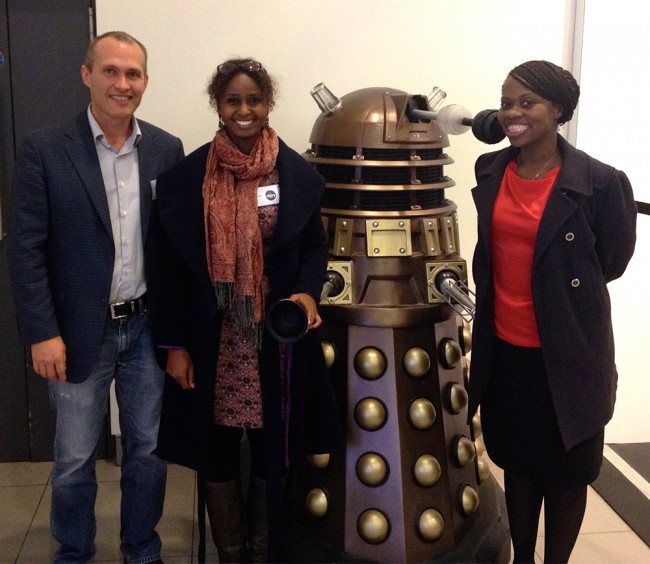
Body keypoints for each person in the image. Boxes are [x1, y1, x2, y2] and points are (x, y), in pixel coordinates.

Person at [151, 58, 342, 563]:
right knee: (214, 448)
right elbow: (166, 268)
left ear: (268, 105)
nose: (244, 110)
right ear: (218, 105)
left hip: (274, 337)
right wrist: (172, 345)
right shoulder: (185, 179)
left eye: (253, 100)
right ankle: (230, 553)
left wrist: (306, 293)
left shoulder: (295, 174)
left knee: (269, 446)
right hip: (211, 338)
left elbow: (314, 249)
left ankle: (264, 549)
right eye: (233, 100)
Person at [8, 31, 184, 563]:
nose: (122, 84)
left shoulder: (164, 148)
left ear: (146, 83)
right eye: (110, 71)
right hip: (78, 330)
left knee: (148, 453)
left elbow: (172, 252)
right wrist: (43, 332)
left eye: (133, 74)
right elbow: (26, 251)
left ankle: (141, 549)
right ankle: (74, 552)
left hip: (147, 327)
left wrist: (177, 336)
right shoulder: (44, 148)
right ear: (87, 75)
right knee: (75, 458)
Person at [467, 60, 637, 563]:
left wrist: (560, 296)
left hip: (569, 354)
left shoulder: (602, 183)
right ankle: (523, 558)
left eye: (527, 102)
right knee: (519, 465)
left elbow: (612, 260)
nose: (512, 113)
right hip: (507, 348)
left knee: (568, 473)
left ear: (557, 109)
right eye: (506, 102)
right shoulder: (491, 169)